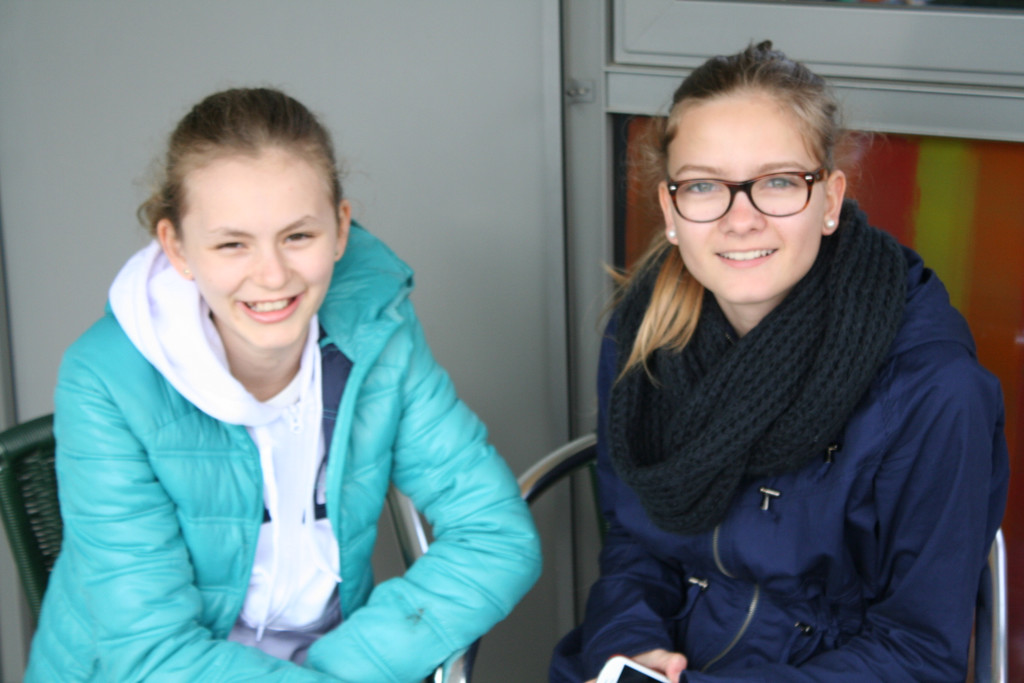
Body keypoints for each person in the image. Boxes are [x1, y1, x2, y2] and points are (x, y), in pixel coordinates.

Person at [26, 87, 541, 682]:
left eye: (298, 236)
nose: (272, 276)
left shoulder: (379, 332)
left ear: (340, 229)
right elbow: (151, 654)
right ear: (176, 248)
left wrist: (345, 669)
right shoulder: (104, 379)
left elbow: (495, 535)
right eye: (232, 244)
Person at [550, 42, 1009, 682]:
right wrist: (631, 644)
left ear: (829, 201)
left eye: (777, 182)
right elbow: (635, 544)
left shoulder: (933, 390)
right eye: (704, 185)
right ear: (671, 211)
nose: (741, 220)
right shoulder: (646, 337)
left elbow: (918, 651)